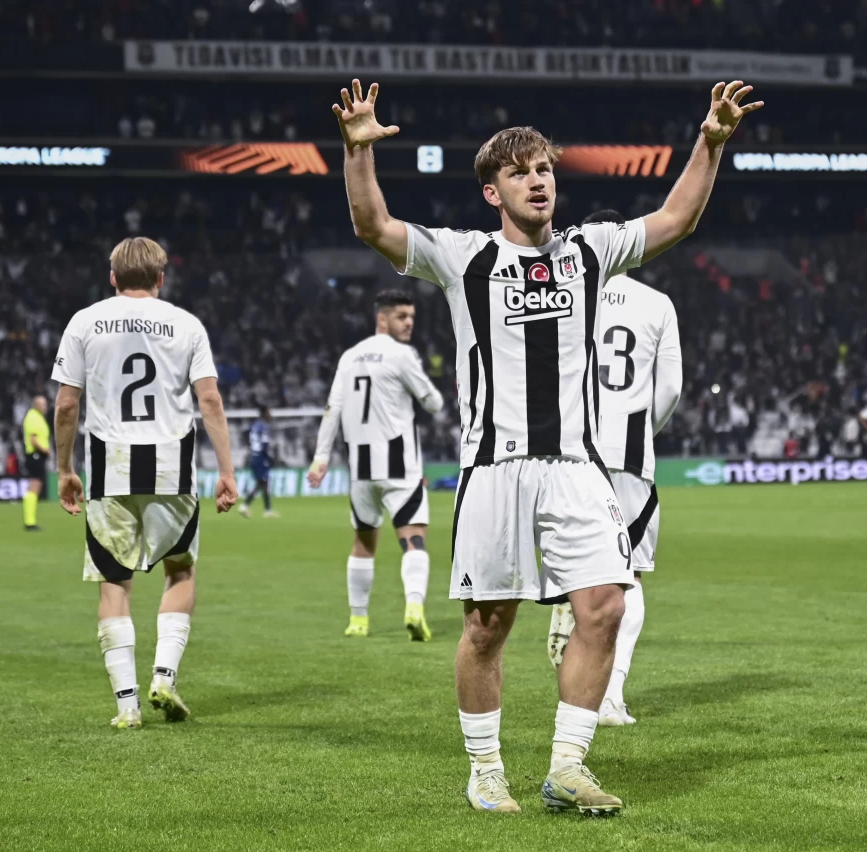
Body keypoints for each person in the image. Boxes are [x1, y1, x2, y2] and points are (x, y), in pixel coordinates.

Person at [332, 76, 761, 814]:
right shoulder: (464, 257)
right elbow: (374, 224)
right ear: (491, 192)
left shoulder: (590, 251)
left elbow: (676, 218)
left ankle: (567, 766)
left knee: (604, 607)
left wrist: (710, 142)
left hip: (576, 467)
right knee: (486, 626)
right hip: (494, 467)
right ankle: (484, 770)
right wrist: (358, 152)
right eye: (519, 173)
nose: (538, 182)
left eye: (544, 170)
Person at [51, 236, 238, 730]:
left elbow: (67, 404)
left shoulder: (85, 322)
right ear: (161, 277)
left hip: (108, 468)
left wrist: (64, 469)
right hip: (171, 467)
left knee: (114, 582)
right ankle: (165, 677)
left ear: (112, 277)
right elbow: (210, 400)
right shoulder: (186, 324)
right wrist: (226, 470)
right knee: (180, 571)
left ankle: (127, 706)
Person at [546, 210, 683, 727]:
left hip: (566, 450)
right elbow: (670, 389)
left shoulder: (562, 292)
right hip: (626, 452)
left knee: (580, 561)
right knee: (631, 575)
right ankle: (609, 696)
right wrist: (644, 430)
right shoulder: (657, 303)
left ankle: (567, 605)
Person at [307, 289, 445, 641]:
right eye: (402, 316)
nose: (409, 323)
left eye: (411, 317)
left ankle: (358, 620)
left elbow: (333, 409)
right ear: (382, 319)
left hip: (361, 470)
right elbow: (433, 402)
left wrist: (321, 458)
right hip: (401, 468)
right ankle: (414, 607)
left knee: (363, 543)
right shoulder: (402, 355)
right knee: (413, 539)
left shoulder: (349, 357)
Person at [239, 405, 279, 518]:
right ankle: (246, 506)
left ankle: (266, 510)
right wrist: (270, 458)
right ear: (264, 413)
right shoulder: (263, 427)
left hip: (254, 456)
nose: (270, 415)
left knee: (263, 483)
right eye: (269, 412)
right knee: (262, 483)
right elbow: (264, 444)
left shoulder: (254, 426)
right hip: (261, 457)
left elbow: (249, 440)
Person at [21, 394, 50, 530]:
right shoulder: (33, 417)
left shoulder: (37, 417)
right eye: (42, 404)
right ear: (36, 405)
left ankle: (30, 521)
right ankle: (30, 522)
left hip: (36, 456)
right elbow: (33, 439)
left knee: (34, 487)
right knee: (34, 487)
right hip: (35, 455)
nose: (45, 407)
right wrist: (45, 450)